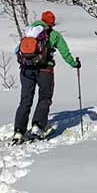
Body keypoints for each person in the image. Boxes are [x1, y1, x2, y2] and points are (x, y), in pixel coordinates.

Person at [12, 10, 79, 143]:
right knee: (44, 98)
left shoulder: (30, 31)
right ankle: (38, 126)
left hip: (26, 70)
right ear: (52, 23)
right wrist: (75, 64)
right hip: (45, 70)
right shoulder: (54, 35)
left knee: (25, 100)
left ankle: (19, 131)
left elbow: (16, 50)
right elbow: (65, 52)